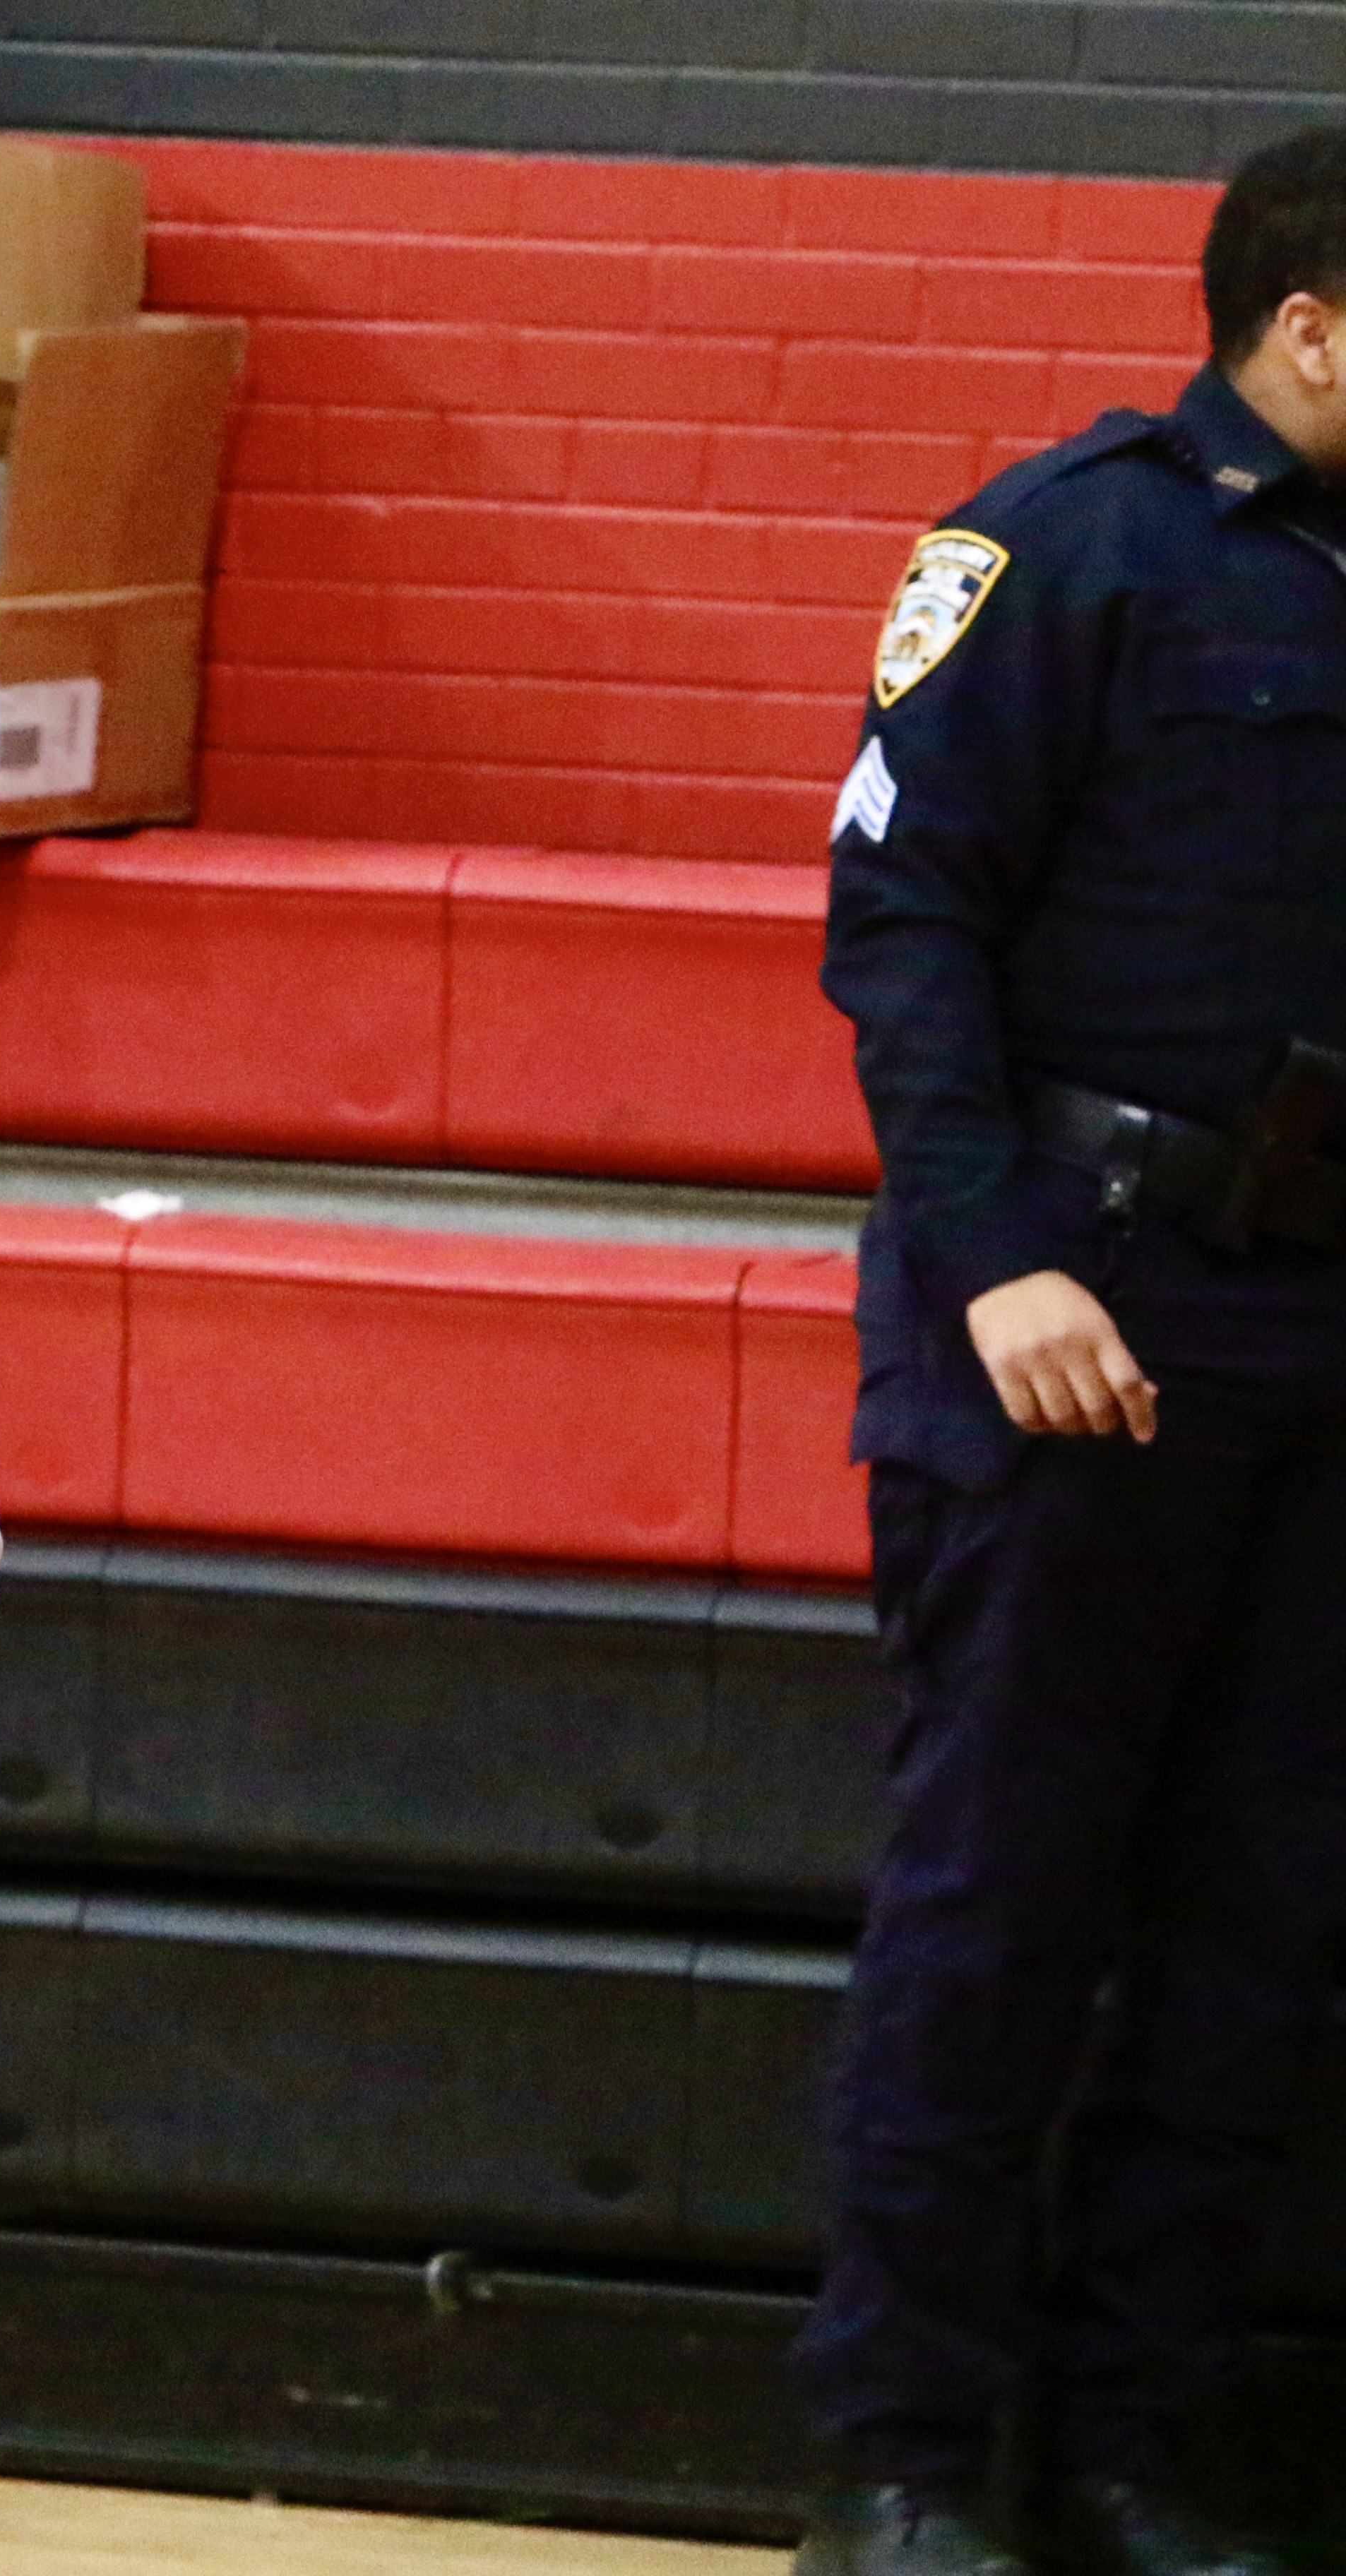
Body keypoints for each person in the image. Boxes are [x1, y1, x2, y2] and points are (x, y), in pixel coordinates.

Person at [805, 126, 1346, 2576]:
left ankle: (1132, 2452)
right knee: (998, 1899)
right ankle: (910, 2468)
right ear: (1310, 325)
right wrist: (1002, 1258)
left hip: (1326, 1331)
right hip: (1074, 1302)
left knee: (1265, 1919)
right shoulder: (1064, 542)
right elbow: (901, 919)